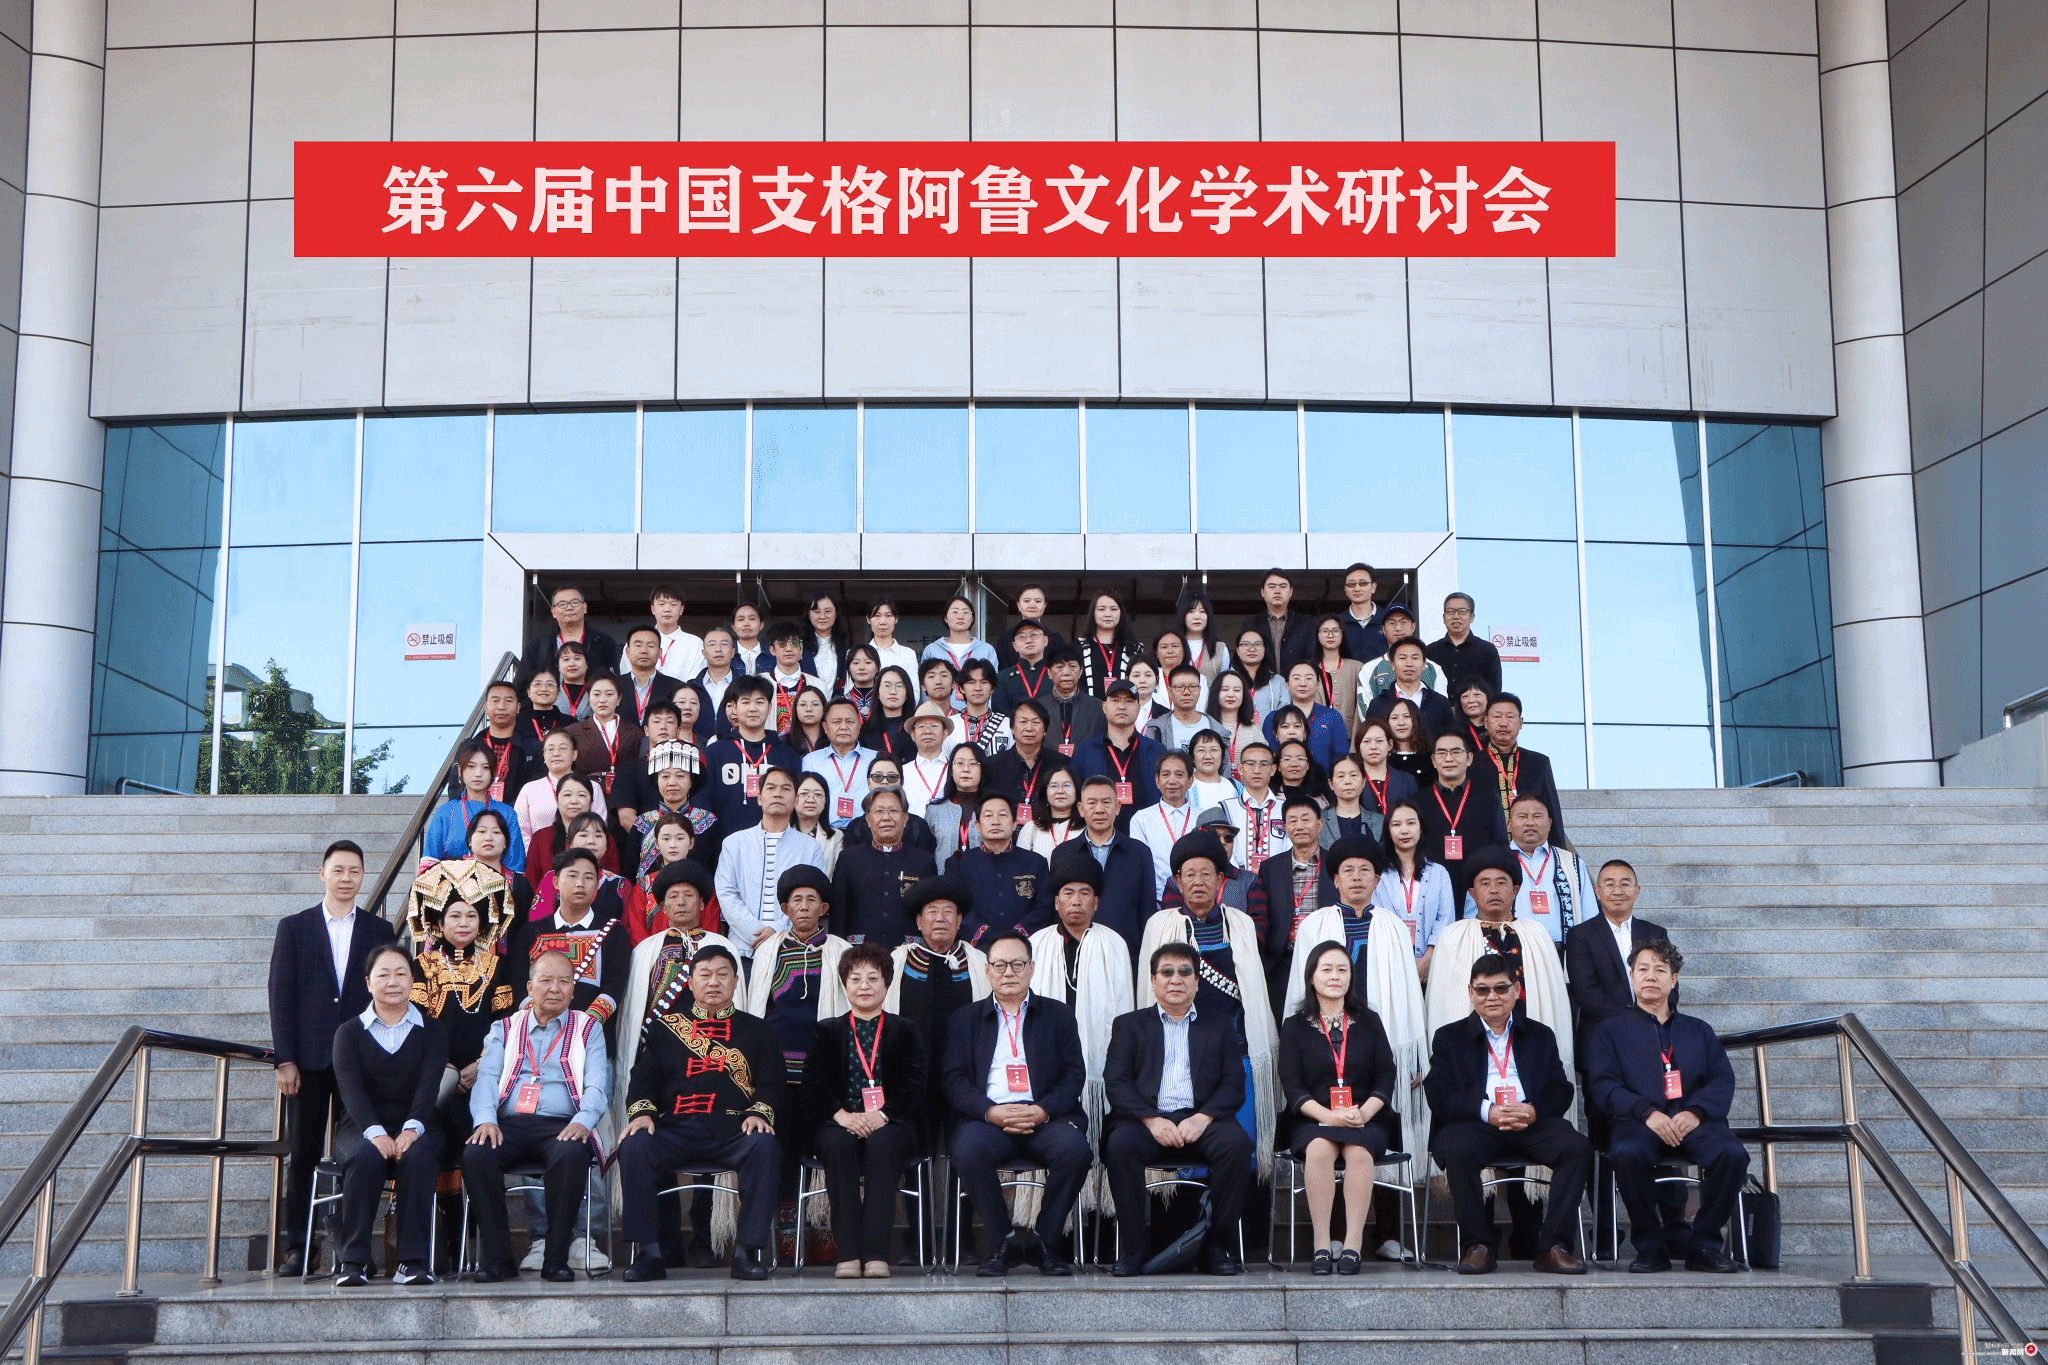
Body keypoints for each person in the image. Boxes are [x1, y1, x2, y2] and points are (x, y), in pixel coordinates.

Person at [267, 840, 396, 1277]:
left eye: (354, 871)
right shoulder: (294, 927)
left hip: (360, 1061)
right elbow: (281, 995)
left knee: (359, 1151)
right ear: (322, 873)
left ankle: (354, 1247)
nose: (346, 878)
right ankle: (300, 1248)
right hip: (307, 1060)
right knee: (302, 1154)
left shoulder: (380, 930)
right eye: (338, 870)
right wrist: (284, 1059)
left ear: (362, 876)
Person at [617, 945, 783, 1282]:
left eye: (722, 974)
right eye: (704, 975)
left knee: (764, 1146)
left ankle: (747, 1252)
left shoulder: (757, 1029)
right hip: (675, 1129)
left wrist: (759, 1113)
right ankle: (649, 1253)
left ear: (735, 981)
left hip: (733, 1130)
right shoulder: (664, 1029)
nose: (713, 982)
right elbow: (643, 1079)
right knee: (635, 1145)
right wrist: (642, 1114)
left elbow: (772, 1081)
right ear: (691, 983)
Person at [1423, 953, 1590, 1276]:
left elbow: (1561, 1090)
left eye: (1501, 988)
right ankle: (1478, 1246)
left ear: (1516, 990)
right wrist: (1487, 1111)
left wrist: (1534, 1110)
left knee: (1577, 1147)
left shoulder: (1540, 1035)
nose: (1492, 997)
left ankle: (1553, 1247)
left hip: (1530, 1122)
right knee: (1457, 1148)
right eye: (1482, 990)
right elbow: (1438, 1094)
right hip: (1478, 1123)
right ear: (1471, 993)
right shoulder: (1449, 1037)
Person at [1586, 940, 1747, 1274]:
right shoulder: (1609, 1031)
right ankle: (1650, 1247)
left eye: (1660, 970)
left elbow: (1721, 1079)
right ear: (1632, 976)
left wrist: (1696, 1112)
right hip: (1638, 1122)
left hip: (1693, 1121)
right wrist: (1647, 1112)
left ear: (1673, 980)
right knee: (1627, 1153)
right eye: (1643, 969)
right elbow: (1603, 1085)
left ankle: (1704, 1245)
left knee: (1732, 1154)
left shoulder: (1698, 1030)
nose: (1650, 976)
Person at [942, 932, 1092, 1276]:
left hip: (1044, 1118)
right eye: (999, 965)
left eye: (1017, 964)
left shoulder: (1058, 1015)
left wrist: (1042, 1110)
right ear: (987, 970)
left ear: (1032, 968)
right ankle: (1003, 1242)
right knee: (968, 1150)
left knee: (1075, 1152)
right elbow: (953, 1079)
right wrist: (990, 1111)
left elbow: (1073, 1075)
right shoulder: (965, 1019)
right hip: (989, 1119)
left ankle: (1044, 1242)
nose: (1008, 972)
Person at [1101, 942, 1253, 1276]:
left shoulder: (1219, 1025)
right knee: (1120, 1145)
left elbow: (1233, 1083)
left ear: (1197, 982)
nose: (1176, 979)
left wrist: (1203, 1118)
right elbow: (1116, 1082)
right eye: (1166, 972)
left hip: (1202, 1120)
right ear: (1153, 981)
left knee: (1237, 1146)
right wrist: (1151, 1120)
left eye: (1185, 972)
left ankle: (1215, 1248)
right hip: (1146, 1122)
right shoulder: (1129, 1025)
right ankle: (1134, 1250)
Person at [463, 950, 611, 1282]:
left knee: (571, 1154)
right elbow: (486, 1077)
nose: (555, 988)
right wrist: (485, 1120)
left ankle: (555, 1259)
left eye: (564, 981)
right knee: (476, 1154)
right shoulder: (505, 1027)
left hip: (563, 1125)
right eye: (546, 980)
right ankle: (498, 1259)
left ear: (573, 990)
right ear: (530, 987)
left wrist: (583, 1120)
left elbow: (596, 1083)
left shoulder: (588, 1028)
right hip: (510, 1125)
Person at [1137, 832, 1280, 1168]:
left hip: (1235, 1053)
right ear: (1177, 881)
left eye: (1206, 874)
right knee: (1184, 1148)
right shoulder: (1159, 925)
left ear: (1219, 880)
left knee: (1240, 1145)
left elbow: (1252, 989)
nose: (1198, 882)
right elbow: (1148, 992)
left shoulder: (1241, 924)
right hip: (1177, 1056)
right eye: (1190, 874)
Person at [803, 944, 927, 1279]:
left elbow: (915, 1083)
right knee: (839, 1145)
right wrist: (841, 1115)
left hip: (891, 1122)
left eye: (873, 978)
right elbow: (813, 1081)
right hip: (837, 1122)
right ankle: (847, 1253)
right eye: (856, 978)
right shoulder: (827, 1030)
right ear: (845, 984)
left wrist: (882, 1115)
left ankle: (876, 1254)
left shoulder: (905, 1030)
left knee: (881, 1145)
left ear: (887, 983)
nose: (864, 986)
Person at [1278, 941, 1402, 1274]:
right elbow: (1292, 1085)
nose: (1335, 976)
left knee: (1359, 1153)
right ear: (1312, 976)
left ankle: (1352, 1245)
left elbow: (1386, 1075)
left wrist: (1364, 1112)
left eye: (1342, 970)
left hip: (1365, 1119)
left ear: (1351, 977)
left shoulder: (1369, 1021)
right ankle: (1321, 1244)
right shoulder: (1294, 1026)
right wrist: (1329, 1116)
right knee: (1319, 1149)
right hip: (1313, 1119)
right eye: (1327, 969)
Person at [328, 944, 447, 1287]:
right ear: (368, 983)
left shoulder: (433, 1030)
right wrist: (376, 1132)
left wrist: (411, 1129)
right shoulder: (348, 1033)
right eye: (383, 974)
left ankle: (413, 1261)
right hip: (360, 1126)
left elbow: (429, 1087)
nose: (392, 982)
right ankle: (354, 1261)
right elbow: (351, 1091)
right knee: (364, 1157)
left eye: (400, 974)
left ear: (413, 981)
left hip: (419, 1123)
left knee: (418, 1156)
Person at [1424, 852, 1574, 1082]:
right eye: (1485, 884)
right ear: (1472, 893)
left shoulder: (1537, 934)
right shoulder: (1453, 936)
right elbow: (1443, 1005)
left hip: (1530, 1043)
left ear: (1515, 890)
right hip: (1472, 1049)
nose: (1493, 890)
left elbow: (1554, 1001)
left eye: (1501, 883)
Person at [405, 857, 517, 1164]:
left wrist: (481, 1066)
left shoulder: (496, 967)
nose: (463, 923)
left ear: (481, 923)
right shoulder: (422, 966)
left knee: (477, 1150)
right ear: (440, 924)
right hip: (434, 1075)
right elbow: (414, 1023)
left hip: (484, 1075)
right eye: (454, 916)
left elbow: (505, 1026)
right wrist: (444, 1069)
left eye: (471, 915)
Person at [1028, 854, 1135, 1168]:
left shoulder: (1114, 944)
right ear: (1056, 902)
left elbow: (1124, 1010)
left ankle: (1097, 1195)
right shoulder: (1036, 943)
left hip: (1101, 1060)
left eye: (1085, 893)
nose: (1076, 901)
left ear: (1096, 902)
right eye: (1068, 893)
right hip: (1048, 1062)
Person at [742, 865, 852, 1127]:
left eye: (811, 900)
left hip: (822, 1062)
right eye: (797, 900)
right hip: (776, 1062)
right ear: (785, 909)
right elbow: (757, 1005)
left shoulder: (842, 951)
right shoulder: (768, 950)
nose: (804, 907)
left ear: (823, 909)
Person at [887, 875, 991, 1149]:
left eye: (948, 912)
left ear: (959, 920)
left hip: (967, 1074)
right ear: (919, 922)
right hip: (911, 1073)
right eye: (932, 912)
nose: (940, 919)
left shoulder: (981, 963)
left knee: (966, 1144)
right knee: (912, 1143)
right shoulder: (897, 962)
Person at [507, 848, 630, 1040]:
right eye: (572, 876)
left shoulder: (614, 932)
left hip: (592, 1039)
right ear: (556, 882)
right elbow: (519, 983)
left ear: (597, 885)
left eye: (588, 877)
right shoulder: (531, 932)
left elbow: (615, 985)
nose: (580, 883)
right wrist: (542, 1022)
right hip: (538, 1036)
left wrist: (582, 1027)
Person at [712, 766, 827, 957]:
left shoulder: (810, 847)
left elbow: (813, 895)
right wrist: (754, 933)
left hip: (793, 949)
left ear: (796, 800)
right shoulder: (734, 843)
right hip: (743, 948)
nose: (778, 794)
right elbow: (726, 893)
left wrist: (777, 931)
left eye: (786, 789)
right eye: (771, 788)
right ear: (759, 798)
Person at [1565, 860, 1672, 1053]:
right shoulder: (1580, 936)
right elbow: (1586, 993)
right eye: (1609, 884)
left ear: (1637, 891)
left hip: (1653, 1035)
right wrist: (1635, 1021)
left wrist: (1653, 1018)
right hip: (1602, 1040)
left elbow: (1669, 984)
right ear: (1598, 891)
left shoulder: (1656, 933)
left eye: (1625, 884)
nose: (1617, 891)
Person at [698, 675, 803, 854]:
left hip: (778, 847)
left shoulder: (787, 755)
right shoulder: (715, 753)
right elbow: (704, 805)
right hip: (725, 849)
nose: (753, 708)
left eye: (760, 702)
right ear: (734, 708)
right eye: (745, 702)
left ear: (770, 707)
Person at [831, 787, 938, 945]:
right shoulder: (848, 859)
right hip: (860, 952)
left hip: (910, 952)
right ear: (868, 819)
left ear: (905, 818)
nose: (886, 818)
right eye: (879, 811)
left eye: (893, 811)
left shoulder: (924, 861)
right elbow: (838, 913)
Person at [1251, 796, 1340, 978]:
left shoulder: (1335, 864)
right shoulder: (1270, 868)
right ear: (1284, 827)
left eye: (1306, 820)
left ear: (1319, 824)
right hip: (1281, 962)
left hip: (1326, 958)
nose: (1299, 826)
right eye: (1293, 821)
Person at [1418, 729, 1509, 908]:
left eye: (1456, 752)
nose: (1448, 759)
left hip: (1478, 890)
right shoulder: (1418, 801)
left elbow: (1500, 844)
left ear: (1469, 758)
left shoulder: (1488, 798)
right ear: (1434, 761)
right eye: (1442, 753)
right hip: (1432, 891)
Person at [1068, 775, 1159, 949]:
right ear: (1081, 809)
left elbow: (1147, 911)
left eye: (1106, 802)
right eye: (1092, 803)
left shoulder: (1139, 853)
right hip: (1077, 950)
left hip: (1126, 952)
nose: (1099, 810)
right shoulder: (1064, 853)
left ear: (1118, 807)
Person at [953, 792, 1054, 945]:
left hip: (1027, 947)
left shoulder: (1036, 863)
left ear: (1014, 824)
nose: (996, 822)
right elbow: (956, 906)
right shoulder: (959, 864)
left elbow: (1044, 907)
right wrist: (984, 934)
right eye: (988, 816)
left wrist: (1017, 935)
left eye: (1003, 815)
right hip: (975, 948)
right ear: (978, 826)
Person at [1373, 800, 1456, 984]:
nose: (1404, 830)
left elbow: (1445, 918)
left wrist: (1428, 958)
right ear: (1388, 832)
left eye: (1411, 823)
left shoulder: (1439, 873)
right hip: (1390, 967)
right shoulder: (1379, 876)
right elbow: (1376, 921)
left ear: (1420, 828)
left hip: (1434, 966)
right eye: (1396, 825)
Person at [1473, 692, 1569, 848]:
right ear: (1486, 722)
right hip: (1486, 850)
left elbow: (1552, 811)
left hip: (1531, 851)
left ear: (1521, 722)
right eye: (1497, 717)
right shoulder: (1472, 763)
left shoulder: (1539, 763)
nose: (1503, 723)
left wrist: (1558, 851)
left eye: (1510, 717)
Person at [1070, 679, 1167, 828]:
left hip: (1148, 834)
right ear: (1104, 707)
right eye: (1115, 700)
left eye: (1129, 701)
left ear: (1139, 707)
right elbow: (1075, 796)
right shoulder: (1085, 750)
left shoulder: (1156, 751)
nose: (1122, 706)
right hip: (1099, 834)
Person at [1496, 793, 1589, 944]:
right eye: (1522, 816)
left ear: (1549, 823)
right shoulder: (1494, 861)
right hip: (1510, 950)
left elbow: (1590, 916)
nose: (1530, 822)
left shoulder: (1572, 863)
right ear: (1509, 824)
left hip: (1564, 952)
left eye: (1537, 816)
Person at [424, 741, 525, 873]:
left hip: (496, 884)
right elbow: (429, 867)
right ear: (460, 771)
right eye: (471, 766)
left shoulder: (507, 814)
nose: (478, 773)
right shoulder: (445, 813)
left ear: (493, 772)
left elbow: (515, 867)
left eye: (485, 767)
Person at [513, 733, 608, 853]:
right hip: (540, 855)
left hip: (584, 855)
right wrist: (533, 854)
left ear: (574, 754)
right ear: (544, 754)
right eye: (550, 749)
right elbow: (521, 829)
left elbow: (600, 826)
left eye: (563, 748)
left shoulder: (592, 787)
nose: (556, 754)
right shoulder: (530, 789)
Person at [1130, 751, 1202, 899]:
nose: (1172, 781)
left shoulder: (1202, 817)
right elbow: (1139, 866)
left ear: (1190, 780)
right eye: (1166, 774)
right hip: (1156, 899)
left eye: (1179, 775)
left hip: (1196, 898)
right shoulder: (1142, 819)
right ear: (1157, 780)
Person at [521, 775, 615, 885]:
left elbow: (614, 880)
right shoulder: (541, 837)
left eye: (581, 795)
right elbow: (532, 882)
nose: (574, 801)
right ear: (557, 800)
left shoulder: (602, 837)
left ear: (591, 801)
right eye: (567, 795)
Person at [526, 584, 620, 682]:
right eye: (562, 604)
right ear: (553, 612)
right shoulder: (537, 646)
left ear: (584, 607)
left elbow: (614, 683)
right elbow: (522, 685)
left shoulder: (605, 643)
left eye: (575, 602)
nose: (569, 608)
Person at [1218, 742, 1288, 874]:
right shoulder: (1225, 808)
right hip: (1237, 879)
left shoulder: (1286, 808)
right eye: (1250, 764)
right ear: (1240, 768)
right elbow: (1223, 847)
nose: (1257, 770)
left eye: (1264, 764)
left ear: (1273, 769)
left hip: (1277, 879)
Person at [1363, 638, 1457, 736]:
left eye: (1415, 658)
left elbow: (1450, 738)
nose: (1409, 664)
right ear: (1393, 665)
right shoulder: (1378, 704)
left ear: (1424, 665)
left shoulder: (1440, 702)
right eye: (1402, 658)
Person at [473, 680, 542, 805]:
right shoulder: (471, 747)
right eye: (495, 700)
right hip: (475, 814)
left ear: (518, 707)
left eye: (509, 701)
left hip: (518, 814)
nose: (501, 706)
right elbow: (457, 788)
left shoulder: (534, 749)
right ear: (485, 707)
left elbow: (537, 790)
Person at [923, 742, 988, 870]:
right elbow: (926, 854)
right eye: (960, 763)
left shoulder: (991, 809)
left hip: (983, 880)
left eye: (973, 764)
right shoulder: (935, 810)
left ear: (982, 770)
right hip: (943, 880)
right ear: (951, 770)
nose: (966, 769)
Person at [1426, 592, 1503, 699]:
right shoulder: (1430, 651)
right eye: (1450, 612)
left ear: (1471, 617)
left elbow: (1494, 690)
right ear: (1444, 617)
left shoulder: (1487, 650)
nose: (1456, 616)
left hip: (1474, 709)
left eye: (1462, 612)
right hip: (1439, 709)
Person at [986, 699, 1055, 814]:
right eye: (1023, 722)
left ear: (1045, 730)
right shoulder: (993, 765)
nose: (1029, 728)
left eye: (1036, 722)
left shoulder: (1059, 764)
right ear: (1012, 728)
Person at [1361, 605, 1442, 701]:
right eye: (1392, 623)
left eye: (1403, 622)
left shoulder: (1434, 669)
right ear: (1383, 629)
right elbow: (1366, 707)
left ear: (1413, 627)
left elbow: (1441, 705)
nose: (1398, 628)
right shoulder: (1369, 669)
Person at [1243, 568, 1316, 670]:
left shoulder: (1307, 624)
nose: (1277, 591)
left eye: (1283, 586)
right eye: (1272, 586)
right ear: (1262, 592)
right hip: (1262, 680)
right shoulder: (1251, 624)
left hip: (1296, 679)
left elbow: (1312, 658)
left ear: (1291, 592)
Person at [762, 620, 826, 736]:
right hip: (771, 745)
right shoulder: (761, 683)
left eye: (795, 643)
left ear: (801, 648)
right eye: (782, 644)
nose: (789, 649)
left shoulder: (818, 684)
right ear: (772, 650)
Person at [1041, 644, 1106, 757]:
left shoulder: (1098, 707)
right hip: (1048, 766)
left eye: (1072, 667)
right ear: (1049, 672)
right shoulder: (1038, 707)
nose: (1066, 672)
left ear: (1080, 672)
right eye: (1059, 667)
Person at [1146, 664, 1224, 753]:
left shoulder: (1216, 728)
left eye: (1192, 687)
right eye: (1180, 687)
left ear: (1199, 690)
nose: (1186, 692)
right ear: (1170, 692)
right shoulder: (1156, 728)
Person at [900, 701, 958, 821]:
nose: (927, 731)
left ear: (945, 733)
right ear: (913, 735)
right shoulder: (902, 772)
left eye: (934, 726)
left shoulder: (955, 770)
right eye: (921, 726)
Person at [1353, 717, 1420, 819]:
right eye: (1366, 741)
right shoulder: (1352, 780)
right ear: (1359, 746)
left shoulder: (1407, 781)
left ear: (1390, 745)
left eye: (1379, 741)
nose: (1373, 747)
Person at [620, 625, 684, 730]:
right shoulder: (614, 686)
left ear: (659, 653)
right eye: (638, 645)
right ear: (627, 652)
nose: (644, 650)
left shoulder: (677, 687)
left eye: (650, 646)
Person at [1309, 615, 1364, 738]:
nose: (1330, 635)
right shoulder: (1309, 669)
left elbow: (1361, 708)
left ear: (1342, 635)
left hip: (1349, 735)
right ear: (1317, 635)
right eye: (1325, 631)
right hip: (1317, 736)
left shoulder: (1357, 668)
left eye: (1335, 631)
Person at [1077, 589, 1136, 698]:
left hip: (1124, 707)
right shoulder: (1079, 647)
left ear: (1121, 613)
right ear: (1093, 613)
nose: (1108, 614)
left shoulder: (1134, 649)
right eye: (1101, 609)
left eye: (1114, 609)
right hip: (1088, 708)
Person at [923, 593, 998, 676]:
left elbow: (993, 680)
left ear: (972, 618)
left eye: (965, 612)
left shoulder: (986, 650)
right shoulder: (932, 650)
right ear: (945, 618)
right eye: (955, 612)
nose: (960, 616)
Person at [1017, 765, 1082, 859]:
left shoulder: (1087, 828)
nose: (1060, 791)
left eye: (1067, 785)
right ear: (1045, 793)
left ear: (1077, 790)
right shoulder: (1031, 829)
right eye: (1054, 786)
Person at [1320, 754, 1386, 847]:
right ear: (1331, 784)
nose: (1347, 781)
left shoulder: (1380, 822)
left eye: (1353, 775)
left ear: (1363, 782)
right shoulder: (1319, 820)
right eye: (1341, 776)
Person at [994, 618, 1054, 715]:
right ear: (1015, 646)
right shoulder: (1002, 679)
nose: (1029, 640)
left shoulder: (1056, 676)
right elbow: (1001, 715)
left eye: (1034, 635)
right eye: (1022, 637)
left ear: (1045, 640)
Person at [957, 659, 1015, 756]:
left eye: (984, 682)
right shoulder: (950, 726)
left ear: (992, 688)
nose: (978, 688)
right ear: (962, 688)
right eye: (971, 682)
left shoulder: (1007, 724)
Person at [649, 584, 705, 683]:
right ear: (653, 609)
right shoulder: (637, 641)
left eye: (673, 604)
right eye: (661, 604)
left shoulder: (695, 643)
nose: (667, 609)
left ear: (681, 609)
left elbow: (696, 680)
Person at [791, 772, 844, 875]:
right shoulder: (783, 833)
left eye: (818, 795)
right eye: (804, 793)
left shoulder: (836, 836)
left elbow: (838, 876)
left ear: (826, 801)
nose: (811, 800)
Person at [1336, 562, 1388, 663]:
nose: (1357, 588)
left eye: (1363, 583)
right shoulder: (1337, 623)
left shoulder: (1388, 619)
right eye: (1351, 584)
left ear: (1373, 587)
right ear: (1346, 590)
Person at [1177, 587, 1231, 684]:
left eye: (1202, 611)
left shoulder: (1220, 648)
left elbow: (1225, 684)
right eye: (1191, 611)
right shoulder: (1173, 647)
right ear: (1183, 615)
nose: (1197, 616)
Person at [861, 666, 916, 760]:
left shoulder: (916, 729)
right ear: (877, 693)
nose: (893, 691)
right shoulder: (865, 731)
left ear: (907, 693)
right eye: (887, 686)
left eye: (899, 686)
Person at [1233, 627, 1288, 719]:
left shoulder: (1278, 681)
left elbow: (1284, 714)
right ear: (1237, 650)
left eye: (1257, 644)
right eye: (1246, 644)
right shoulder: (1227, 679)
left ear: (1265, 649)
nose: (1252, 649)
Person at [1149, 631, 1209, 713]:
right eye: (1164, 647)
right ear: (1156, 653)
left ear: (1184, 650)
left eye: (1175, 646)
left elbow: (1201, 710)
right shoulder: (1148, 677)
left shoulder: (1200, 679)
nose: (1170, 651)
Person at [803, 589, 849, 692]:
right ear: (809, 615)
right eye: (817, 612)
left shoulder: (845, 650)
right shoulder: (800, 647)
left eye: (828, 611)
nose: (822, 616)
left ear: (836, 614)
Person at [864, 596, 920, 679]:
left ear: (896, 619)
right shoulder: (859, 655)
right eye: (877, 616)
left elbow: (913, 686)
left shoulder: (908, 654)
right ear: (868, 619)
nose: (882, 622)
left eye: (888, 616)